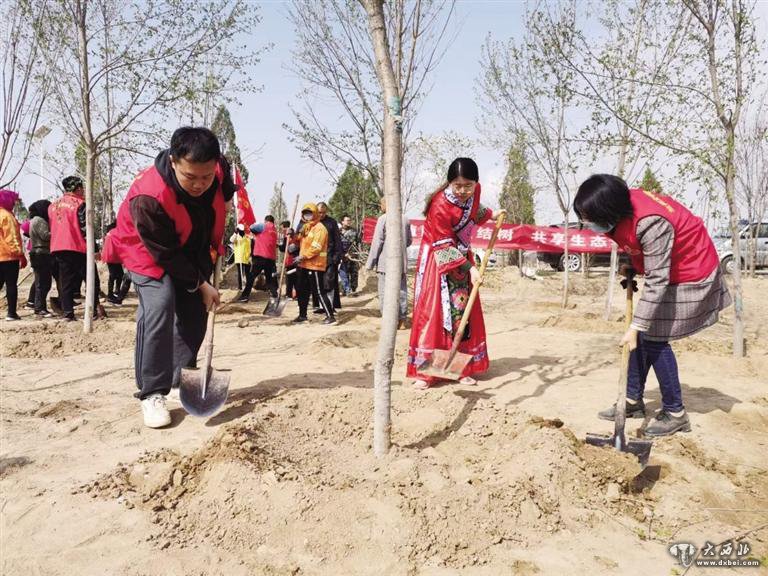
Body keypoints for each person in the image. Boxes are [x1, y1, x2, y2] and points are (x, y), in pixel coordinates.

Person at [574, 174, 731, 437]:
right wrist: (632, 265)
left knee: (654, 338)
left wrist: (636, 325)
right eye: (583, 216)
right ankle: (633, 401)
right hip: (670, 270)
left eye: (589, 217)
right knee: (641, 335)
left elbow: (659, 278)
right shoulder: (620, 209)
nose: (586, 223)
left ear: (609, 210)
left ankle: (676, 413)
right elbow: (633, 243)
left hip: (691, 270)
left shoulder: (651, 222)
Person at [113, 126, 235, 428]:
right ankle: (152, 392)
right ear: (173, 162)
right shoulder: (149, 197)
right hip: (146, 250)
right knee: (160, 305)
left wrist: (226, 198)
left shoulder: (219, 172)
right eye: (190, 177)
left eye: (207, 177)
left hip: (191, 248)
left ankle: (181, 375)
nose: (199, 184)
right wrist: (201, 283)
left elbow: (227, 189)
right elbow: (164, 255)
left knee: (195, 313)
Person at [407, 158, 495, 390]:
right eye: (458, 186)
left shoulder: (474, 193)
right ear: (449, 183)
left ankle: (460, 368)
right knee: (435, 314)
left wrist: (493, 216)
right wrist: (471, 269)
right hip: (438, 259)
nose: (463, 190)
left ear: (476, 183)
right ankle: (425, 373)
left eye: (468, 185)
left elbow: (475, 211)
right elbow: (444, 247)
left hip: (462, 256)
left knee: (461, 313)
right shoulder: (439, 205)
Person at [48, 176, 100, 321]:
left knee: (66, 281)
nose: (83, 191)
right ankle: (94, 309)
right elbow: (86, 228)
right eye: (82, 188)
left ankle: (68, 313)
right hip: (78, 247)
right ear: (77, 188)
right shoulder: (80, 204)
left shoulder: (53, 206)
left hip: (58, 247)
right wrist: (95, 249)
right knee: (91, 279)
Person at [366, 197, 412, 327]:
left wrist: (370, 263)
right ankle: (402, 320)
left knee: (384, 292)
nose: (381, 207)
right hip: (401, 263)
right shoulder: (405, 219)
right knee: (401, 291)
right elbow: (409, 241)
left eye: (381, 204)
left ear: (386, 205)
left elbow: (377, 243)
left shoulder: (383, 219)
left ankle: (388, 321)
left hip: (385, 263)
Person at [294, 203, 335, 325]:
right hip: (304, 265)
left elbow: (316, 247)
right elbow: (298, 240)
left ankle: (330, 316)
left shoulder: (320, 229)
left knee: (318, 291)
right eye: (305, 214)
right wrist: (292, 235)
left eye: (310, 213)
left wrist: (302, 256)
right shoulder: (306, 227)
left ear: (315, 214)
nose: (307, 216)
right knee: (302, 291)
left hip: (315, 265)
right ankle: (302, 315)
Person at [239, 215, 278, 303]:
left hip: (260, 256)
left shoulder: (263, 226)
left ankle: (245, 296)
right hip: (271, 258)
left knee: (252, 276)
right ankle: (274, 295)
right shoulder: (274, 230)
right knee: (269, 278)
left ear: (266, 220)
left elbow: (252, 228)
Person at [0, 189, 26, 321]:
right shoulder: (7, 216)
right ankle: (11, 313)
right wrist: (20, 254)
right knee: (11, 285)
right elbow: (12, 238)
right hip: (8, 257)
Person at [28, 200, 55, 317]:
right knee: (42, 283)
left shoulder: (36, 220)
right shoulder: (39, 220)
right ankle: (39, 308)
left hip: (41, 254)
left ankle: (39, 306)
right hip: (41, 254)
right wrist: (57, 232)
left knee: (43, 282)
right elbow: (45, 235)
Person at [316, 202, 343, 311]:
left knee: (329, 283)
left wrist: (337, 257)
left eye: (323, 212)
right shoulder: (313, 222)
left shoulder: (332, 222)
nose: (321, 215)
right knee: (319, 284)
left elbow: (337, 240)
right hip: (316, 259)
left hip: (330, 257)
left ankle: (330, 306)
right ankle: (322, 306)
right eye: (319, 212)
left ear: (326, 211)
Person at [101, 221, 131, 305]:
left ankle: (115, 292)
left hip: (110, 256)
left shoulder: (110, 233)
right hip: (113, 257)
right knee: (114, 275)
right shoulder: (116, 232)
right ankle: (111, 294)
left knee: (117, 275)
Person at [338, 215, 359, 296]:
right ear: (342, 222)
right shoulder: (338, 232)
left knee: (354, 273)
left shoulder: (354, 231)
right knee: (344, 273)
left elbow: (357, 243)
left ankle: (353, 290)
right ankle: (346, 290)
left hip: (353, 255)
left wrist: (357, 255)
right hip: (343, 256)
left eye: (350, 220)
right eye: (347, 220)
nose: (349, 222)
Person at [279, 220, 299, 299]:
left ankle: (290, 294)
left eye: (282, 228)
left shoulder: (291, 236)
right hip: (291, 260)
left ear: (285, 227)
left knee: (291, 278)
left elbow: (286, 248)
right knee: (293, 278)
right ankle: (292, 294)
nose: (282, 230)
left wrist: (281, 245)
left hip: (292, 260)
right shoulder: (288, 236)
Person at [229, 223, 251, 292]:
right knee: (240, 273)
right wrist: (235, 233)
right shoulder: (236, 237)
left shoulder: (248, 238)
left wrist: (250, 257)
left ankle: (248, 287)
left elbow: (250, 248)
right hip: (239, 258)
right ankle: (240, 287)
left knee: (248, 273)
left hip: (247, 258)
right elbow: (231, 240)